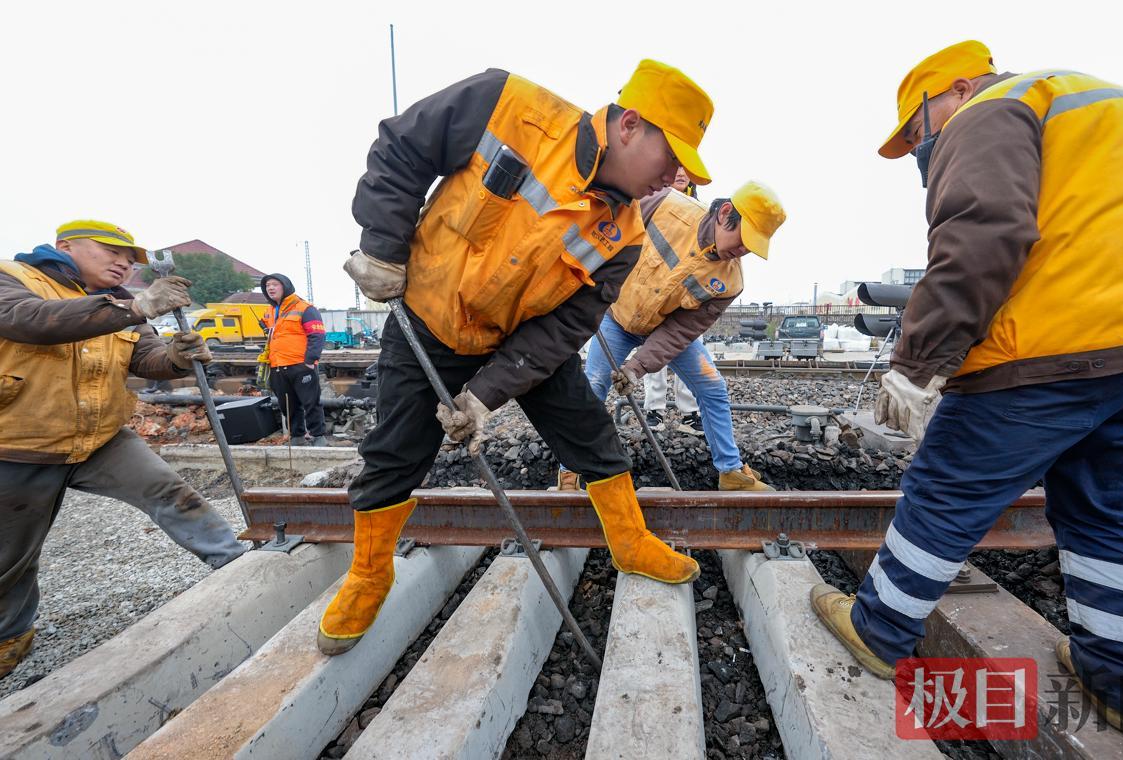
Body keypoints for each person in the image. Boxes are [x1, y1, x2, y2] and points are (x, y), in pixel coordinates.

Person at [809, 41, 1123, 740]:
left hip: (1062, 343)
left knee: (948, 485)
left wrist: (918, 365)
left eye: (918, 132)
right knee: (1106, 499)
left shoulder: (992, 110)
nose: (921, 151)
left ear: (954, 90)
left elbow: (984, 233)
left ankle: (878, 629)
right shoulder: (1100, 105)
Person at [319, 60, 715, 655]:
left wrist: (486, 395)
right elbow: (403, 148)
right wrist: (382, 246)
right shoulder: (506, 104)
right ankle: (371, 573)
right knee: (396, 451)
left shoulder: (625, 234)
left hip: (520, 340)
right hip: (430, 315)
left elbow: (566, 327)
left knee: (590, 433)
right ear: (631, 126)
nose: (675, 176)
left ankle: (630, 541)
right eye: (672, 157)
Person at [0, 221, 247, 678]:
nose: (123, 263)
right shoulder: (13, 280)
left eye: (130, 259)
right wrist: (138, 305)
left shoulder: (124, 308)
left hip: (101, 437)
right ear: (64, 246)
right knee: (12, 555)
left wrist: (177, 357)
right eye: (110, 251)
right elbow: (31, 323)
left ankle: (239, 565)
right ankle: (9, 636)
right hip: (19, 442)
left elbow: (147, 361)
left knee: (173, 492)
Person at [558, 180, 786, 493]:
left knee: (713, 388)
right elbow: (612, 235)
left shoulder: (730, 282)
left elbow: (681, 331)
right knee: (593, 386)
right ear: (725, 213)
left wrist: (636, 367)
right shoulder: (666, 205)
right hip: (617, 315)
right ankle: (568, 473)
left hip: (663, 328)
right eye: (743, 239)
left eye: (752, 247)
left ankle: (730, 472)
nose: (743, 250)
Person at [642, 167, 701, 437]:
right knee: (654, 351)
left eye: (685, 169)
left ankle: (689, 413)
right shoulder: (655, 200)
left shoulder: (700, 209)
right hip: (655, 287)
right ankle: (654, 409)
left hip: (685, 290)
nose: (680, 173)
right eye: (675, 167)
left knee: (687, 348)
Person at [261, 274, 327, 446]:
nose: (271, 288)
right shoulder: (270, 311)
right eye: (268, 285)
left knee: (311, 402)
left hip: (300, 365)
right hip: (277, 366)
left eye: (275, 284)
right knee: (287, 405)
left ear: (285, 286)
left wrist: (310, 360)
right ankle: (296, 436)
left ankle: (318, 436)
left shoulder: (305, 308)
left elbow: (317, 335)